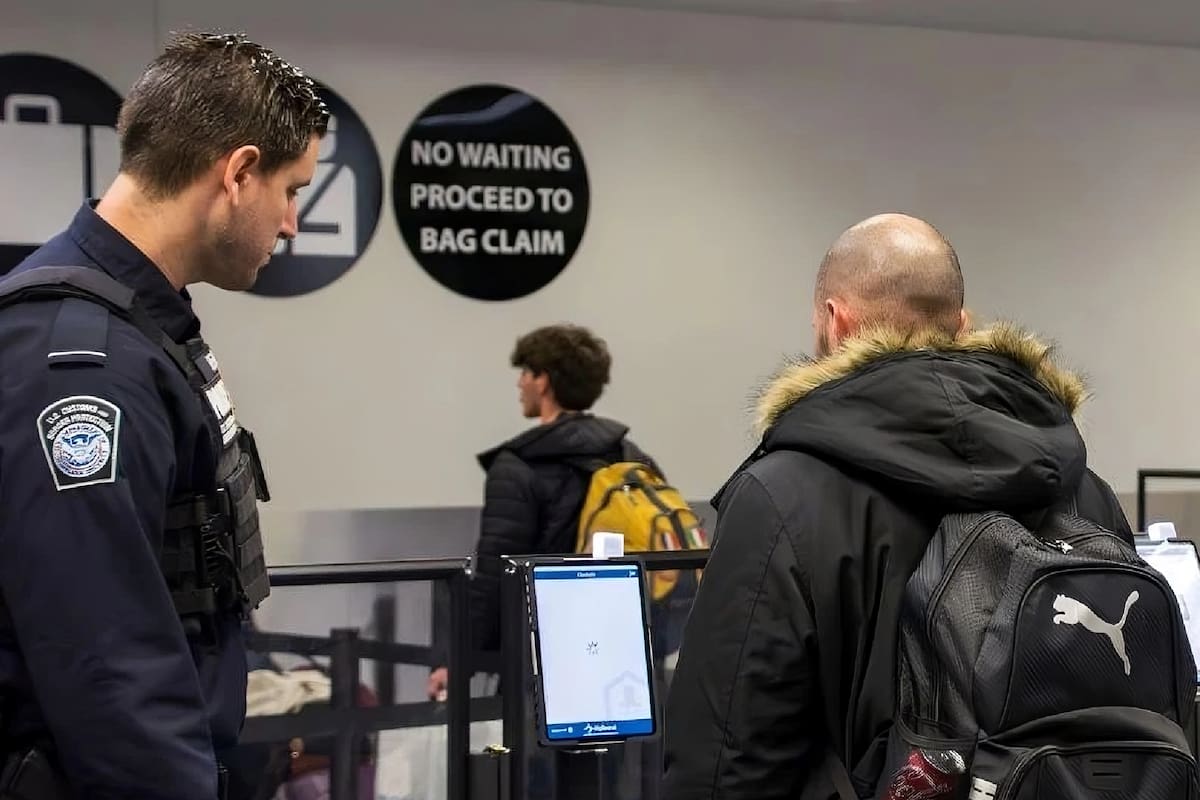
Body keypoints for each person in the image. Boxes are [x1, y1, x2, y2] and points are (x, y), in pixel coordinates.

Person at [661, 213, 1133, 800]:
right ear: (961, 325)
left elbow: (725, 759)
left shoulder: (780, 498)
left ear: (835, 322)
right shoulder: (1081, 487)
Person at [0, 32, 328, 798]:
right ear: (238, 173)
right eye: (292, 190)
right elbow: (107, 665)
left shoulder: (141, 329)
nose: (292, 224)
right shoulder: (83, 365)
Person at [427, 323, 659, 699]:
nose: (519, 383)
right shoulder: (630, 456)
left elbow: (495, 573)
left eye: (525, 372)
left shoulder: (518, 466)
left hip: (542, 656)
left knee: (530, 736)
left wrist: (458, 660)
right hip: (619, 647)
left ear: (543, 381)